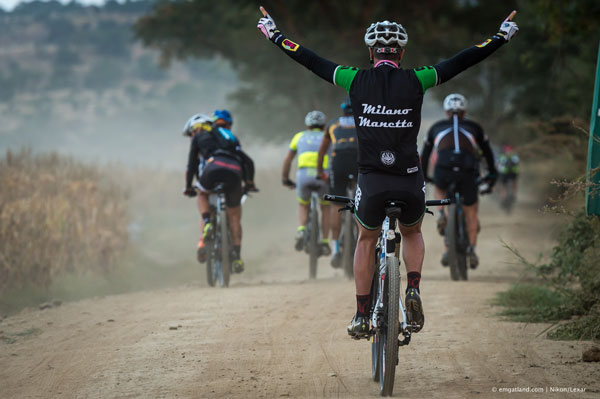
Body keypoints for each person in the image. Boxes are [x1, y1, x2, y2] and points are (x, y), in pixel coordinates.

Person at [257, 7, 518, 337]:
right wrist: (500, 37)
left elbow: (310, 60)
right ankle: (412, 289)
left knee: (366, 239)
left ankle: (362, 314)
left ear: (371, 52)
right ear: (401, 53)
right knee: (412, 232)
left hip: (372, 179)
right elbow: (463, 60)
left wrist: (275, 35)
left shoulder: (354, 79)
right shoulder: (418, 79)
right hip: (410, 179)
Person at [420, 94, 497, 268]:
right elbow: (488, 153)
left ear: (446, 112)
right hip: (467, 171)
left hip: (444, 169)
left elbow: (425, 155)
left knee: (439, 187)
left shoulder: (436, 127)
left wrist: (423, 176)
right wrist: (492, 174)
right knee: (471, 210)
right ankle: (471, 249)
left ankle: (441, 214)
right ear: (465, 112)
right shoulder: (474, 127)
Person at [183, 109, 256, 273]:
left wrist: (188, 186)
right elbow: (247, 162)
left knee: (202, 195)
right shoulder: (230, 137)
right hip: (234, 174)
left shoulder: (200, 139)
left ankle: (208, 224)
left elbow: (191, 166)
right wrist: (249, 183)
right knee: (235, 217)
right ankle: (237, 256)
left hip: (212, 172)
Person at [282, 110, 332, 256]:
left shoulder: (299, 136)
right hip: (323, 175)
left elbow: (287, 160)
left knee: (303, 204)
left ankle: (301, 230)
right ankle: (324, 242)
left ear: (307, 125)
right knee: (325, 207)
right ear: (323, 125)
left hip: (303, 176)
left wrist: (285, 179)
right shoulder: (327, 136)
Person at [317, 97, 358, 268]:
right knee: (363, 200)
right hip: (358, 161)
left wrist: (320, 171)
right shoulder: (364, 122)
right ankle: (365, 241)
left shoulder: (332, 124)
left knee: (336, 204)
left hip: (339, 163)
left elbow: (323, 150)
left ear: (342, 110)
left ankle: (335, 250)